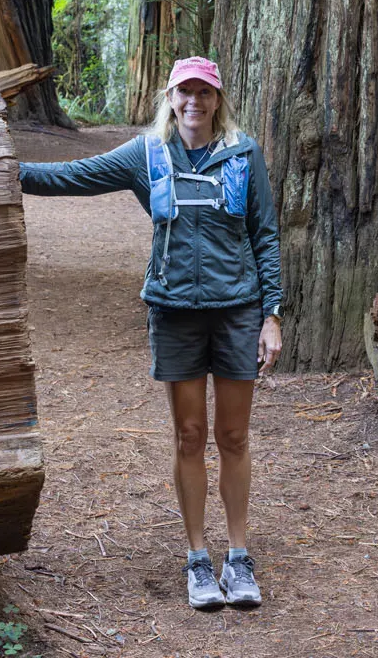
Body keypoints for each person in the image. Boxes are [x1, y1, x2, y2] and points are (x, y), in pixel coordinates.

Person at [18, 56, 283, 611]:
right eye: (184, 92)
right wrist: (3, 167)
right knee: (189, 435)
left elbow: (265, 236)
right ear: (169, 97)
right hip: (174, 313)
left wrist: (271, 315)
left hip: (236, 311)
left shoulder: (244, 154)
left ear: (218, 99)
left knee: (233, 438)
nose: (194, 102)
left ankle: (238, 555)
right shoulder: (148, 155)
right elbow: (71, 176)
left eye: (204, 93)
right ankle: (197, 559)